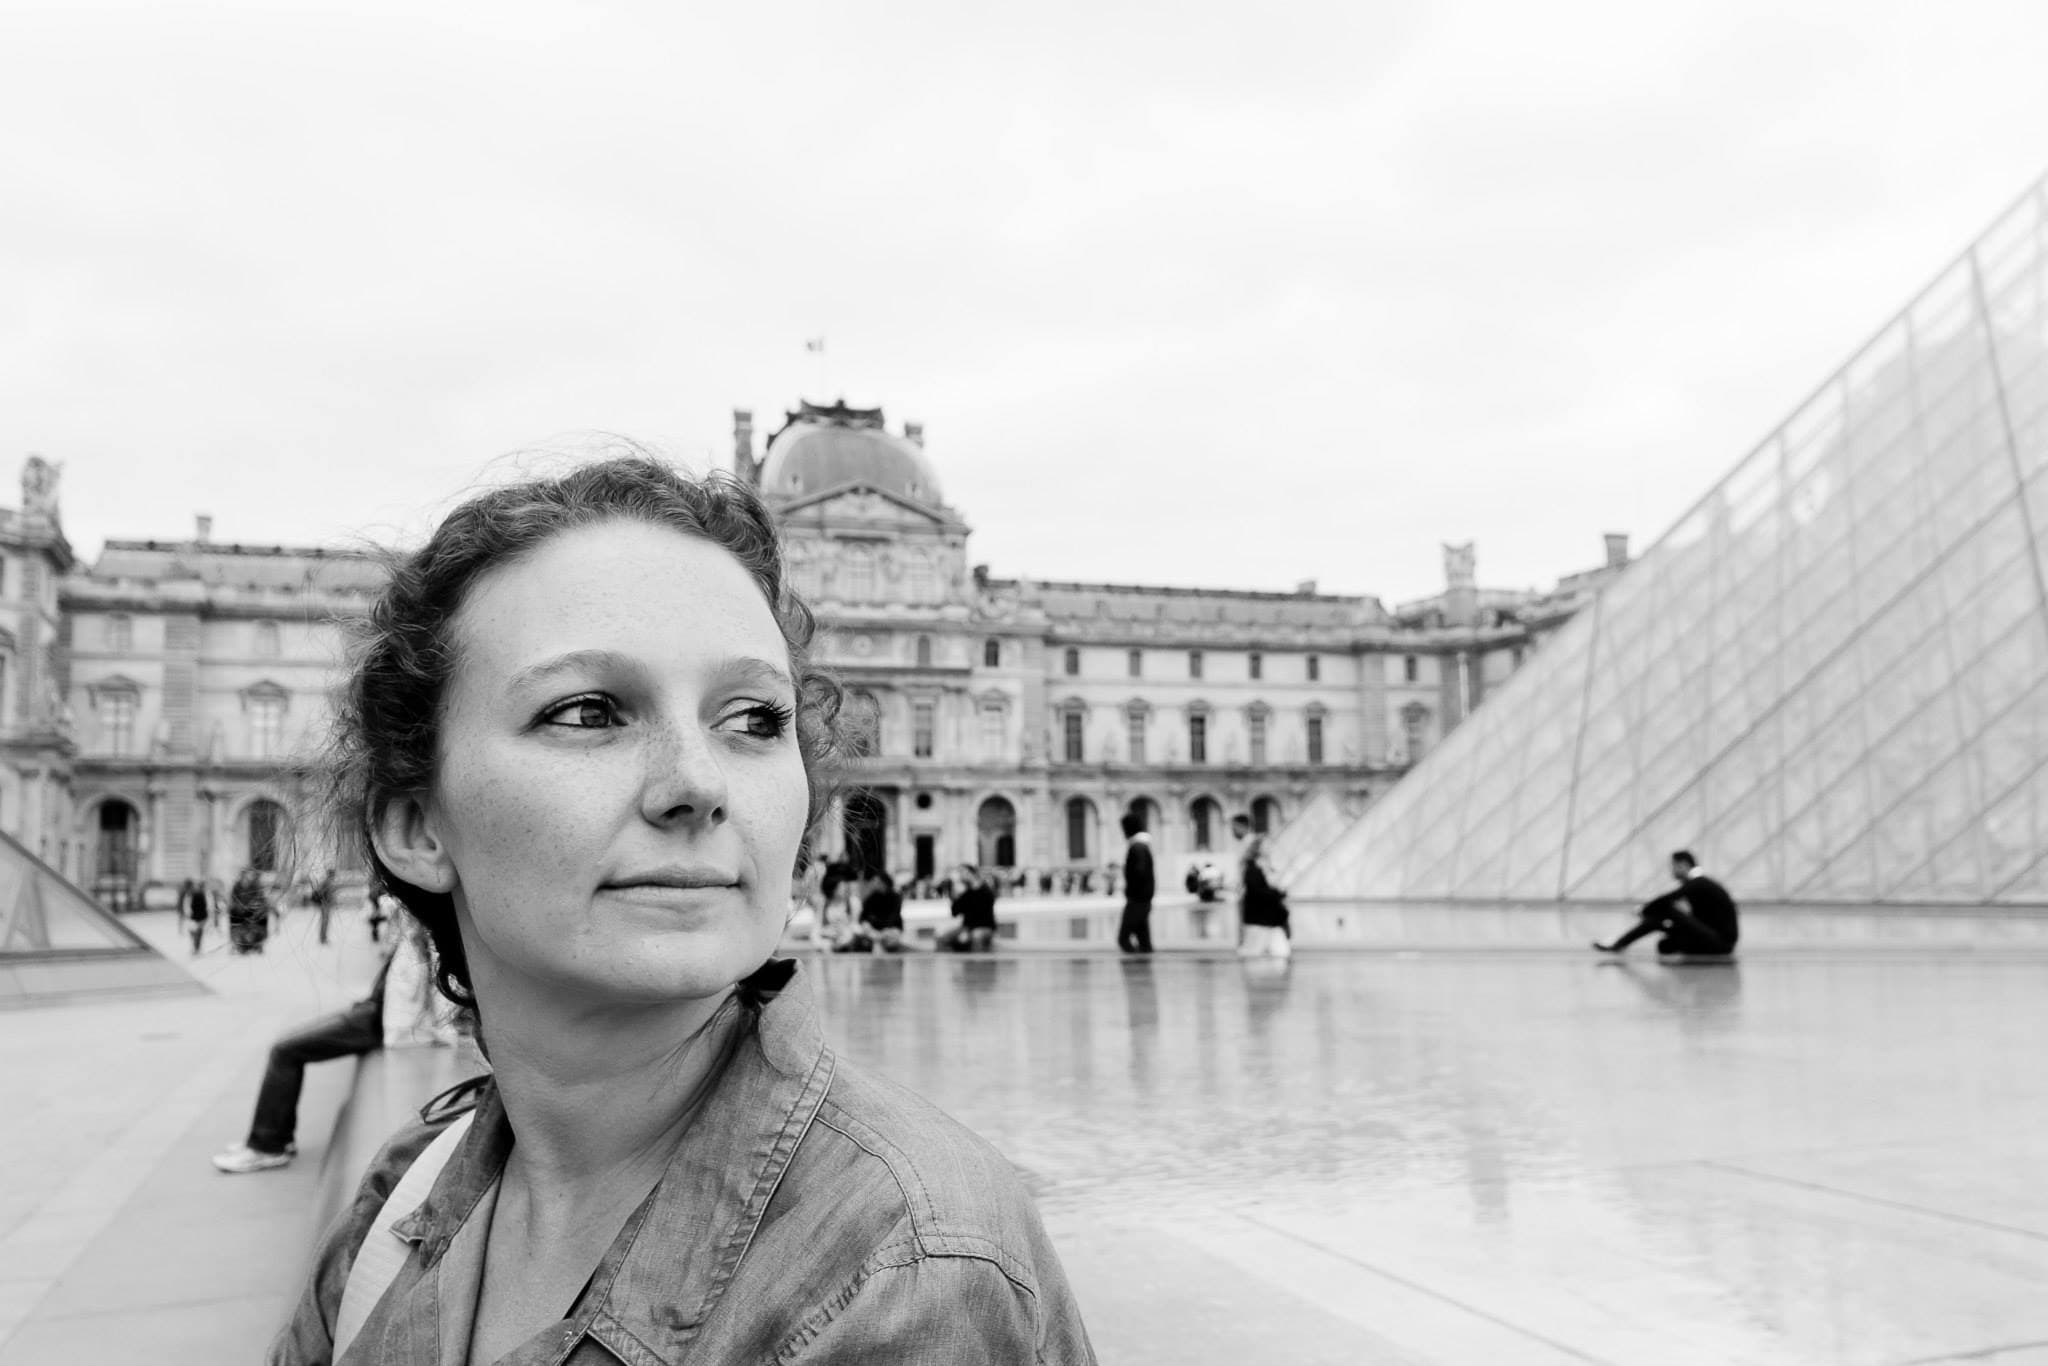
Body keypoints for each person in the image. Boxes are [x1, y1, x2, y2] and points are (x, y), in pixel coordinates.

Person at [270, 457, 1093, 1364]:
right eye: (588, 711)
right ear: (416, 823)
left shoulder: (915, 1270)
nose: (699, 784)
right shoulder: (401, 1195)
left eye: (753, 718)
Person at [213, 916, 454, 1174]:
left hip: (374, 1022)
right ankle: (275, 1137)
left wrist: (441, 1035)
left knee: (284, 1050)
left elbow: (441, 995)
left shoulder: (429, 934)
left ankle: (268, 1146)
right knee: (285, 1048)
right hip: (370, 1012)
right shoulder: (417, 927)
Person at [1594, 850, 1740, 957]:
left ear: (1683, 865)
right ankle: (1620, 943)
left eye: (1673, 866)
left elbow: (1668, 898)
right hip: (1716, 940)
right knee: (1664, 941)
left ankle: (1619, 943)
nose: (1672, 871)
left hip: (1721, 943)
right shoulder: (1701, 883)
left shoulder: (1699, 883)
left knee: (1667, 909)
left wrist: (1645, 910)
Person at [1233, 813, 1291, 959]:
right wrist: (1278, 894)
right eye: (1267, 847)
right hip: (1262, 919)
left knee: (1264, 952)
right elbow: (1258, 891)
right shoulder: (1255, 869)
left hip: (1263, 919)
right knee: (1262, 953)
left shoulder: (1258, 867)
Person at [833, 868, 908, 954]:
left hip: (890, 929)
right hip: (875, 931)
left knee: (889, 938)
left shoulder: (895, 897)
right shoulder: (872, 897)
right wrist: (869, 926)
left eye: (877, 881)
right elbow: (863, 917)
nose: (875, 884)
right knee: (870, 937)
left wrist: (882, 931)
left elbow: (893, 917)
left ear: (884, 882)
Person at [1116, 812, 1154, 954]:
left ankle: (1135, 972)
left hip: (1137, 897)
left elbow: (1139, 871)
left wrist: (1130, 890)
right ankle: (1144, 968)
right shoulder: (1141, 846)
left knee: (1123, 938)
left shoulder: (1137, 847)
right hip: (1143, 896)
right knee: (1144, 940)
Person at [938, 865, 999, 952]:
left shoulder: (985, 890)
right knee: (941, 938)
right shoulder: (966, 892)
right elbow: (954, 913)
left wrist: (968, 932)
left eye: (963, 873)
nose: (961, 876)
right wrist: (954, 896)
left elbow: (981, 914)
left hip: (984, 927)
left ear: (972, 874)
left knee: (976, 936)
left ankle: (978, 963)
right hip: (967, 927)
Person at [228, 866, 272, 955]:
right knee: (237, 925)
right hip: (239, 912)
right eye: (243, 875)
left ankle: (256, 944)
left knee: (258, 924)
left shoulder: (255, 886)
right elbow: (233, 898)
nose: (245, 877)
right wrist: (239, 907)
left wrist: (252, 906)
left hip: (252, 912)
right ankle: (240, 944)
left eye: (247, 875)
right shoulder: (236, 886)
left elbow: (259, 898)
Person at [310, 866, 339, 945]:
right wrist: (326, 900)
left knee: (325, 921)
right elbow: (322, 893)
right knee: (324, 922)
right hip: (325, 905)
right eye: (332, 874)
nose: (333, 876)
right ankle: (322, 938)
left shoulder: (328, 882)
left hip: (327, 904)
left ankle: (324, 937)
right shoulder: (326, 882)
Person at [181, 877, 209, 955]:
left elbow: (187, 905)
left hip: (197, 917)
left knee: (197, 933)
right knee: (197, 933)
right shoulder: (193, 894)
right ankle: (196, 948)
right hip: (196, 917)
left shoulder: (194, 894)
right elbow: (187, 905)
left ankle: (196, 948)